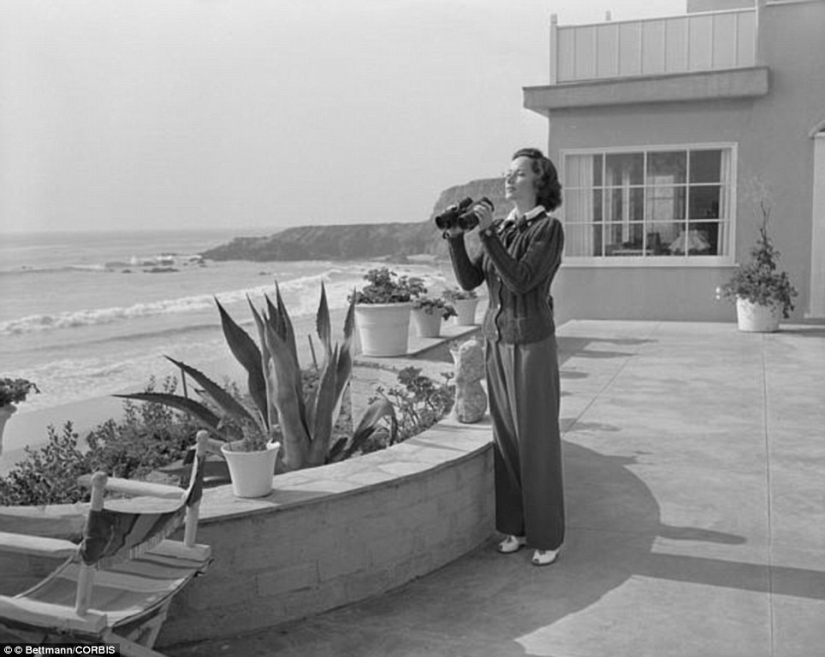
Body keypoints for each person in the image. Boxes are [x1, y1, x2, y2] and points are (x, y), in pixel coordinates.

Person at [444, 147, 565, 566]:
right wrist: (457, 238)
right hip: (497, 341)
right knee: (507, 440)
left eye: (518, 174)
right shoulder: (507, 228)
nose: (508, 180)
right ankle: (514, 528)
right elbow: (469, 279)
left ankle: (547, 535)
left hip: (532, 343)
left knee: (538, 442)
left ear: (539, 182)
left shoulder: (546, 230)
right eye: (507, 174)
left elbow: (521, 280)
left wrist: (489, 232)